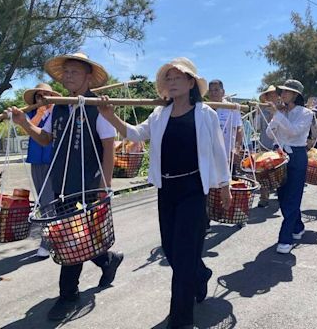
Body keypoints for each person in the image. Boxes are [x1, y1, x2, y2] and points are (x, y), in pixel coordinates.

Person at [98, 57, 232, 329]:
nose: (171, 82)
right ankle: (201, 273)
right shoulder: (159, 115)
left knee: (182, 254)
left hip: (194, 189)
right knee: (171, 250)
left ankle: (181, 321)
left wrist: (225, 187)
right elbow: (135, 134)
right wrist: (109, 115)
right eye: (168, 79)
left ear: (191, 83)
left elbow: (219, 151)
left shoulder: (205, 114)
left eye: (177, 78)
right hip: (167, 188)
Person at [7, 52, 124, 321]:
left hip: (87, 184)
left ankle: (68, 295)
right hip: (61, 182)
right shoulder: (58, 106)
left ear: (87, 76)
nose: (68, 76)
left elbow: (108, 149)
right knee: (77, 236)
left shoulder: (98, 106)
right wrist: (24, 122)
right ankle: (108, 260)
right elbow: (46, 139)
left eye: (74, 72)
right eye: (66, 72)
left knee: (70, 238)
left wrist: (105, 187)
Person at [266, 79, 313, 254]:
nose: (282, 94)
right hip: (280, 155)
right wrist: (276, 116)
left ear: (296, 95)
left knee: (293, 196)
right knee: (283, 196)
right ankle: (298, 226)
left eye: (286, 92)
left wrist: (278, 116)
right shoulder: (281, 112)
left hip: (297, 156)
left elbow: (294, 131)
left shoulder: (306, 113)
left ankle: (285, 238)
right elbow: (269, 134)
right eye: (282, 92)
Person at [23, 83, 61, 258]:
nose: (43, 98)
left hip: (54, 160)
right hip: (36, 161)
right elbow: (29, 127)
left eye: (47, 94)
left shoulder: (58, 112)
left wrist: (51, 108)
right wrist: (39, 112)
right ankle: (55, 236)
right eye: (39, 95)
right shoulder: (31, 113)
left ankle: (48, 240)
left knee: (50, 202)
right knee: (43, 200)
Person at [208, 79, 243, 165]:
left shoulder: (231, 108)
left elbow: (239, 129)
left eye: (216, 90)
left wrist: (237, 148)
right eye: (211, 91)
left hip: (227, 155)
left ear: (222, 92)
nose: (213, 93)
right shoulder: (205, 109)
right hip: (209, 156)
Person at [256, 85, 279, 207]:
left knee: (278, 173)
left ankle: (281, 195)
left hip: (278, 147)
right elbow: (257, 127)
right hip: (265, 145)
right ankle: (263, 197)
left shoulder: (282, 110)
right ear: (266, 97)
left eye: (275, 94)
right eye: (270, 95)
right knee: (263, 173)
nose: (273, 97)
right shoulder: (261, 110)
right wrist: (258, 114)